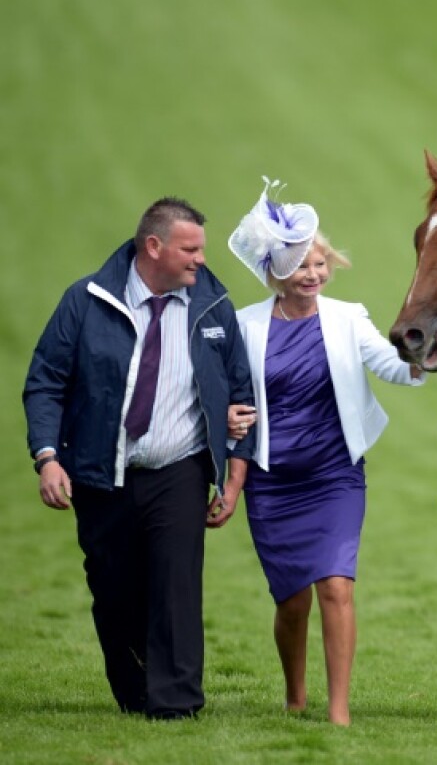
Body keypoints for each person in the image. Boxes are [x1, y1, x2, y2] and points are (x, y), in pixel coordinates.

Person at [23, 197, 255, 719]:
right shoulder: (85, 301)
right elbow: (45, 383)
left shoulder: (213, 306)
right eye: (190, 249)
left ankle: (177, 704)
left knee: (176, 585)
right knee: (114, 589)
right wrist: (48, 458)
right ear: (154, 247)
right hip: (100, 473)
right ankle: (134, 691)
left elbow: (243, 392)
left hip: (180, 468)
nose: (201, 260)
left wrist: (234, 476)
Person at [226, 179, 425, 725]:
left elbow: (390, 365)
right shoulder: (245, 327)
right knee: (293, 600)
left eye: (320, 263)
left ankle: (339, 712)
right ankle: (296, 695)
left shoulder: (346, 317)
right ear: (276, 274)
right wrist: (226, 415)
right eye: (301, 266)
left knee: (336, 586)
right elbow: (225, 393)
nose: (314, 274)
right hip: (272, 480)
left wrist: (426, 359)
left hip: (334, 474)